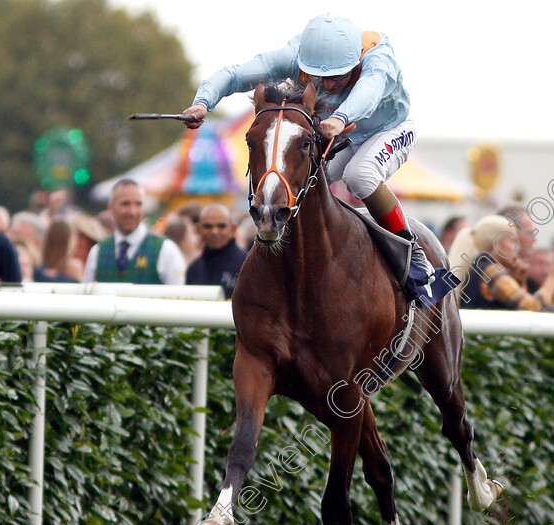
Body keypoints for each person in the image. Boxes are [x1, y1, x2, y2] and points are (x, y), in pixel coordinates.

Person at [181, 13, 455, 307]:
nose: (328, 84)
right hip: (340, 135)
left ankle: (413, 252)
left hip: (388, 130)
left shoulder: (378, 58)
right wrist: (203, 102)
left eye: (337, 76)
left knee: (359, 175)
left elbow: (368, 92)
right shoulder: (294, 55)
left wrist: (340, 117)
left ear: (355, 63)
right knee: (305, 178)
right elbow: (235, 74)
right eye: (319, 76)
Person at [449, 215, 554, 311]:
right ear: (497, 243)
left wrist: (519, 280)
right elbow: (532, 307)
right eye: (512, 240)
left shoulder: (480, 266)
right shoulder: (492, 271)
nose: (516, 248)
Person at [83, 179, 185, 284]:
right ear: (111, 208)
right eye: (125, 204)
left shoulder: (166, 250)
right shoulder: (98, 251)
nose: (132, 212)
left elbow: (177, 296)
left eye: (138, 204)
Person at [186, 203, 247, 299]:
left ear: (233, 229)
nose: (214, 231)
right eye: (208, 226)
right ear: (198, 229)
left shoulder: (247, 264)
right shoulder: (194, 268)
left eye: (221, 226)